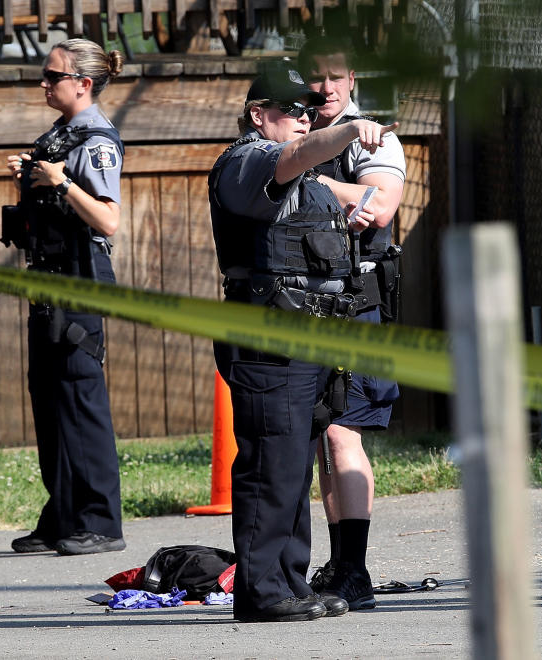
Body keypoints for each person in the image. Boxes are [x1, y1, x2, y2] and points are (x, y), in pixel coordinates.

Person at [208, 65, 398, 623]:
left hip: (309, 339)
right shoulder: (247, 160)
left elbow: (353, 203)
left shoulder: (305, 178)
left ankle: (290, 582)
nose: (306, 121)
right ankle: (263, 590)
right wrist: (343, 132)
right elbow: (291, 159)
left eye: (312, 113)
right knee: (271, 462)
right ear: (259, 114)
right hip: (271, 338)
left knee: (291, 463)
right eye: (294, 111)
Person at [3, 39, 126, 555]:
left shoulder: (95, 140)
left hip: (80, 277)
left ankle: (101, 521)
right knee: (48, 396)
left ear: (84, 84)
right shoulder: (58, 136)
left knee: (81, 395)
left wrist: (62, 183)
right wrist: (31, 180)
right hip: (48, 277)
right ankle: (63, 514)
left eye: (53, 76)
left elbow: (108, 219)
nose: (44, 84)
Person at [297, 36, 407, 611]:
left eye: (334, 76)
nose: (324, 88)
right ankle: (341, 564)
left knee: (344, 433)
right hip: (311, 310)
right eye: (314, 78)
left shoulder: (374, 138)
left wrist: (312, 180)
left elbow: (378, 207)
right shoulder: (297, 136)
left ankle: (355, 570)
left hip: (359, 309)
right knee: (322, 439)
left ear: (352, 79)